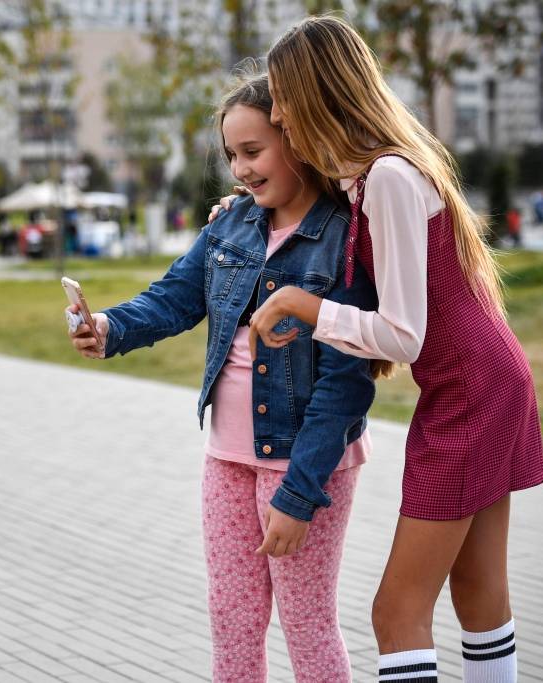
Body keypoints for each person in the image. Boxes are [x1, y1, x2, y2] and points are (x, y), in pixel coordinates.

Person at [211, 17, 543, 683]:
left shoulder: (390, 176)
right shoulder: (368, 177)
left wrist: (304, 307)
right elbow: (313, 216)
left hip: (471, 393)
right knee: (478, 593)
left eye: (282, 96)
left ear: (316, 92)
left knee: (396, 611)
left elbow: (403, 335)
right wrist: (243, 209)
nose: (277, 112)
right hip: (486, 381)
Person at [68, 72, 379, 682]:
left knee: (307, 624)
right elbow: (174, 298)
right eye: (232, 153)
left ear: (300, 141)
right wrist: (108, 327)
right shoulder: (230, 225)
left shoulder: (343, 239)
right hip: (226, 460)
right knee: (231, 622)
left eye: (254, 150)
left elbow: (345, 384)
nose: (240, 167)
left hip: (303, 464)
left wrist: (298, 493)